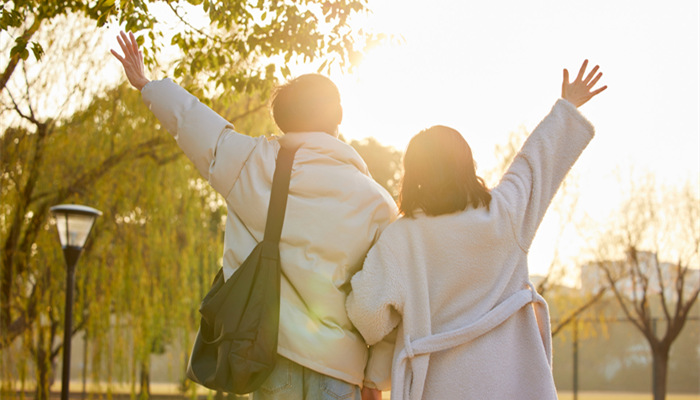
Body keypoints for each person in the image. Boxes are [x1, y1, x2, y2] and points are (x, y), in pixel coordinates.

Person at [111, 31, 397, 400]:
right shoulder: (377, 203)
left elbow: (197, 126)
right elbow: (382, 299)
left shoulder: (252, 164)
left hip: (269, 358)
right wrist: (374, 378)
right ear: (338, 116)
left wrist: (147, 84)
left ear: (281, 119)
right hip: (341, 369)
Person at [346, 60, 607, 399]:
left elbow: (368, 318)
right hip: (516, 386)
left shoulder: (402, 238)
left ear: (414, 175)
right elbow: (534, 163)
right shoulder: (505, 214)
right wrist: (566, 108)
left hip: (441, 388)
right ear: (467, 164)